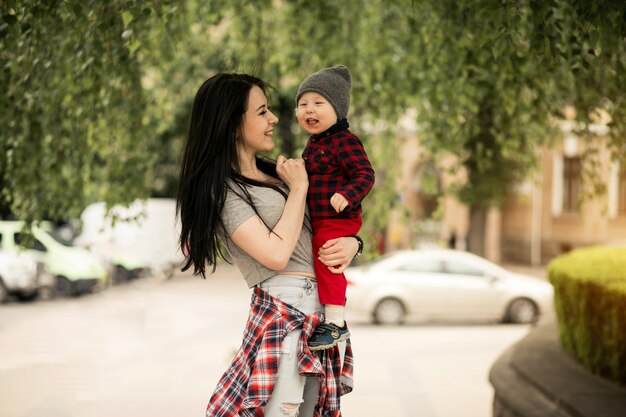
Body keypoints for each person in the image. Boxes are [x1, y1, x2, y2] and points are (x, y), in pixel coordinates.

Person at [176, 73, 361, 417]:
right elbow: (276, 254)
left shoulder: (277, 175)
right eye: (261, 112)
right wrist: (300, 189)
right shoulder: (225, 191)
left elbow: (318, 226)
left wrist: (353, 242)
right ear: (232, 123)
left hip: (319, 312)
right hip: (284, 311)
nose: (274, 118)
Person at [295, 65, 375, 350]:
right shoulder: (313, 144)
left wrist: (348, 194)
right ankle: (334, 320)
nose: (309, 110)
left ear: (338, 109)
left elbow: (365, 174)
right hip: (321, 218)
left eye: (318, 103)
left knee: (327, 257)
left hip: (338, 218)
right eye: (302, 104)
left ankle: (336, 323)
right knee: (322, 253)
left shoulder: (346, 142)